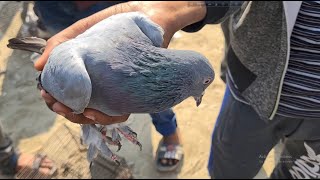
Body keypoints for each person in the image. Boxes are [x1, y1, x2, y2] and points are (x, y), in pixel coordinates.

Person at [31, 1, 320, 179]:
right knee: (231, 164)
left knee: (297, 168)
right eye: (203, 86)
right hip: (252, 92)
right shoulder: (146, 29)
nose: (201, 95)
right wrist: (181, 6)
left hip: (313, 119)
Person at [0, 1, 183, 176]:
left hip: (106, 8)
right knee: (83, 99)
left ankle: (169, 132)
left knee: (149, 85)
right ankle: (94, 127)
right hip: (56, 11)